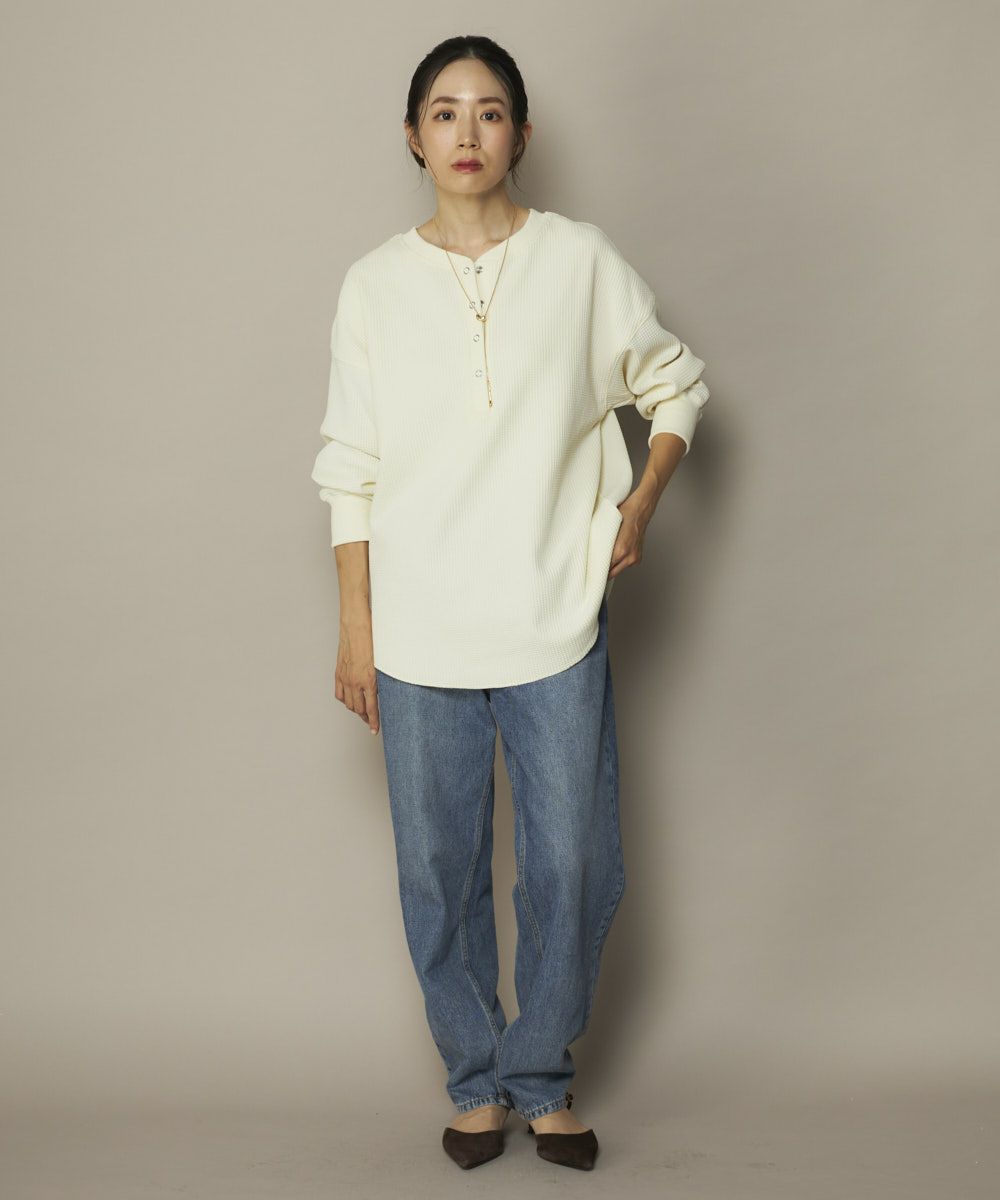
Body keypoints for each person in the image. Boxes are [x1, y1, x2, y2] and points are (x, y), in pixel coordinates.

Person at [311, 35, 710, 1172]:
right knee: (435, 876)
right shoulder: (374, 285)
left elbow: (676, 385)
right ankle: (477, 1083)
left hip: (552, 614)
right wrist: (356, 628)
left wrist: (638, 506)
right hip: (416, 626)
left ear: (521, 134)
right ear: (413, 136)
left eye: (489, 112)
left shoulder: (580, 260)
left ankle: (541, 1076)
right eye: (444, 112)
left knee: (573, 865)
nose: (467, 133)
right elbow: (351, 467)